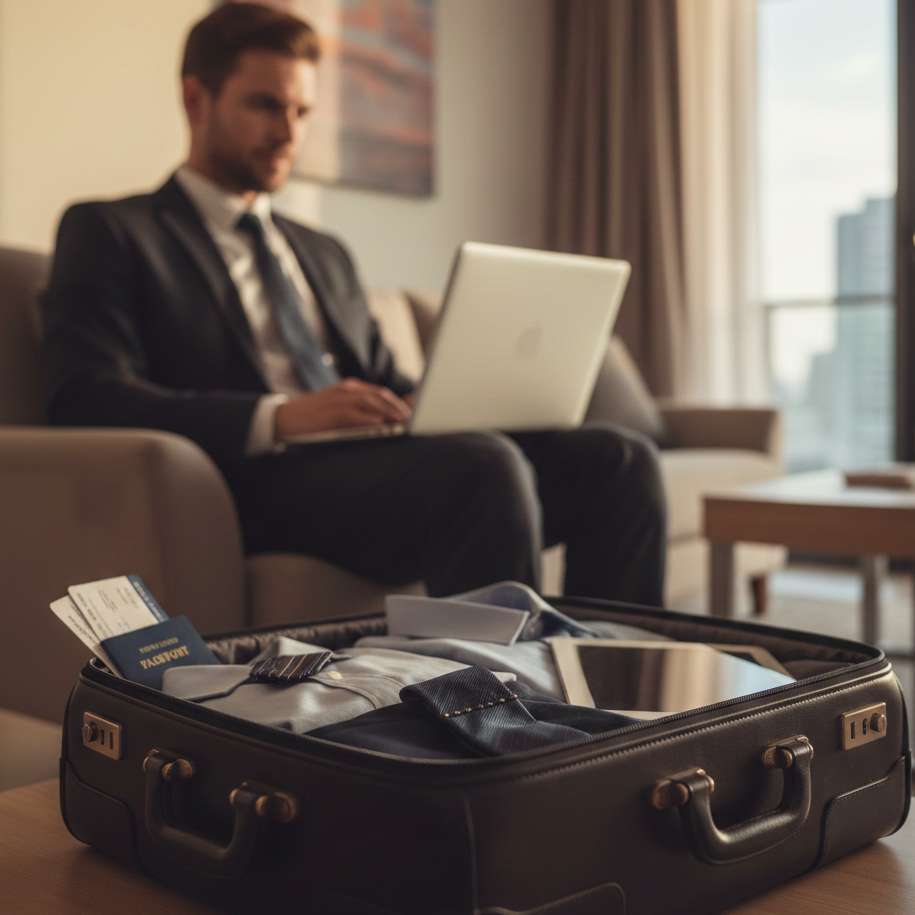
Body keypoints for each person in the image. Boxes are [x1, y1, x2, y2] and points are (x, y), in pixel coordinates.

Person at [41, 2, 666, 604]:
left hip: (376, 468)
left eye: (302, 111)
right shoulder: (114, 231)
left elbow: (380, 378)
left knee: (619, 459)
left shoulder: (322, 251)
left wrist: (437, 401)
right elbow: (85, 395)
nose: (289, 132)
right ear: (195, 100)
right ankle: (506, 708)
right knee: (482, 467)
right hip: (255, 480)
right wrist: (281, 417)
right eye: (265, 106)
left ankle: (621, 687)